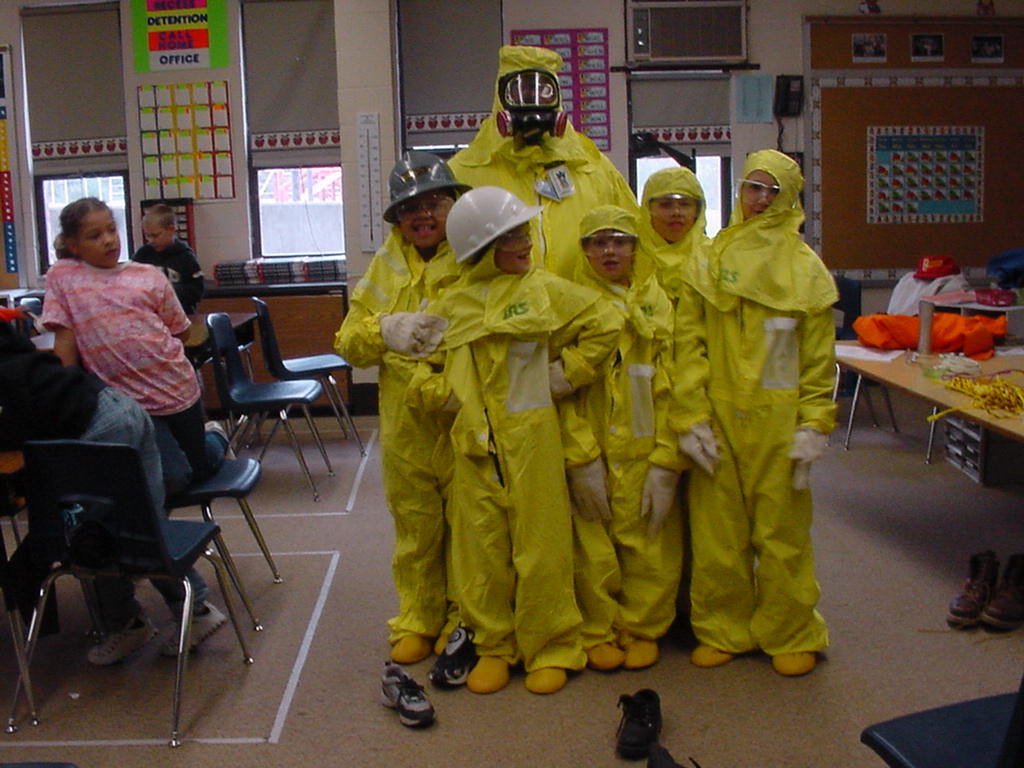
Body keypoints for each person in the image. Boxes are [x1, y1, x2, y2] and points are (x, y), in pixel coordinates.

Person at [410, 186, 622, 695]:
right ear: (483, 249)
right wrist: (445, 396)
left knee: (542, 547)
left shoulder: (544, 291)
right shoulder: (452, 303)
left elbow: (606, 323)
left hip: (534, 443)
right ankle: (493, 645)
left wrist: (566, 375)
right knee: (481, 550)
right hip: (475, 449)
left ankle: (552, 646)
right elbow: (421, 371)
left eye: (525, 232)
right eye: (512, 236)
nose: (526, 242)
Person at [672, 150, 838, 677]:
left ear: (790, 199)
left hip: (779, 421)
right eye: (753, 187)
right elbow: (688, 344)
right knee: (718, 533)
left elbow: (818, 358)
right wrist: (691, 415)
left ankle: (790, 630)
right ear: (739, 191)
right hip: (718, 414)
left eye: (773, 191)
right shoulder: (708, 260)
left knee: (782, 534)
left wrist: (814, 422)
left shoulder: (805, 270)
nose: (761, 200)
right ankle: (724, 628)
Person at [39, 197, 228, 657]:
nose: (108, 240)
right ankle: (157, 604)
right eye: (94, 235)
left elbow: (178, 331)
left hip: (176, 392)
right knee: (153, 488)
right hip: (129, 408)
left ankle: (214, 440)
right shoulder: (63, 278)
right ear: (72, 244)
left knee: (187, 474)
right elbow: (64, 341)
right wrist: (63, 398)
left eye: (111, 229)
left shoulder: (147, 275)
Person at [0, 317, 200, 665]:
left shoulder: (7, 378)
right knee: (134, 528)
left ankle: (169, 614)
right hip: (119, 408)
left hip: (101, 428)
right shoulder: (16, 357)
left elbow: (13, 449)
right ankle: (158, 616)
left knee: (106, 534)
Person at [333, 152, 468, 665]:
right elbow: (350, 342)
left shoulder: (476, 255)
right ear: (397, 218)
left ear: (454, 205)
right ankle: (419, 617)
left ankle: (465, 618)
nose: (423, 214)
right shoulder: (386, 266)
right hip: (405, 424)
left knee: (470, 525)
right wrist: (384, 329)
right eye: (410, 207)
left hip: (462, 414)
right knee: (415, 526)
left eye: (435, 202)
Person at [559, 205, 685, 672]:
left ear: (635, 247)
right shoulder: (570, 304)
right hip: (591, 444)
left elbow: (676, 382)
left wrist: (668, 457)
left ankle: (643, 627)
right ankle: (597, 630)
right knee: (590, 544)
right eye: (598, 242)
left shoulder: (656, 302)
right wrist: (579, 455)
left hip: (642, 444)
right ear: (584, 250)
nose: (609, 251)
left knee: (650, 541)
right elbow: (559, 390)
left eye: (619, 241)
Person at [447, 45, 639, 281]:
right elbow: (443, 258)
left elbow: (633, 240)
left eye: (542, 91)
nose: (532, 101)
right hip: (499, 304)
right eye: (520, 91)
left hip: (581, 302)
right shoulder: (464, 171)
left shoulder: (592, 169)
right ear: (500, 97)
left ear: (557, 97)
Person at [636, 166, 711, 301]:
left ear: (698, 211)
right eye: (665, 205)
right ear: (648, 210)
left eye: (685, 204)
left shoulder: (712, 256)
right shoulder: (630, 255)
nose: (676, 213)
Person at [131, 203, 205, 314]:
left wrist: (167, 291)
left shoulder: (186, 256)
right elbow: (130, 283)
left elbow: (197, 292)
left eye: (155, 235)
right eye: (147, 236)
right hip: (151, 316)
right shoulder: (142, 255)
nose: (151, 240)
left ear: (171, 229)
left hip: (181, 314)